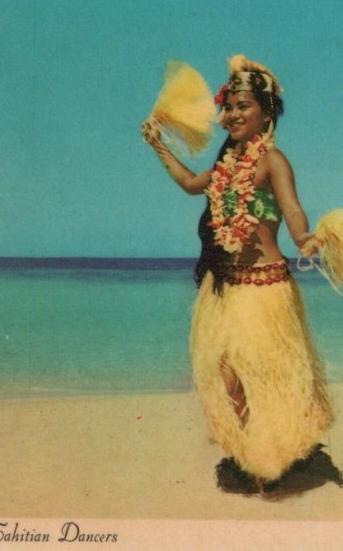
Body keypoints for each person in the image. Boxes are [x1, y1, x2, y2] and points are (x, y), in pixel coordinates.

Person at [141, 55, 332, 490]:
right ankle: (253, 455)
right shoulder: (225, 165)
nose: (233, 114)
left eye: (243, 106)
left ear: (265, 111)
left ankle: (268, 460)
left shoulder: (273, 162)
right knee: (228, 378)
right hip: (225, 288)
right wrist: (159, 144)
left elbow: (294, 211)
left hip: (266, 291)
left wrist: (307, 238)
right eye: (228, 107)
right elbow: (192, 185)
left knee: (266, 381)